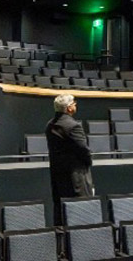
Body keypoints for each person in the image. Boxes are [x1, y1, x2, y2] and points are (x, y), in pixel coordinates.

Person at [45, 94, 93, 224]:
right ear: (69, 108)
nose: (75, 105)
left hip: (58, 176)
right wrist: (89, 163)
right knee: (80, 211)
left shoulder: (50, 125)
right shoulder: (73, 126)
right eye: (74, 103)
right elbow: (83, 150)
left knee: (61, 212)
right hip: (76, 177)